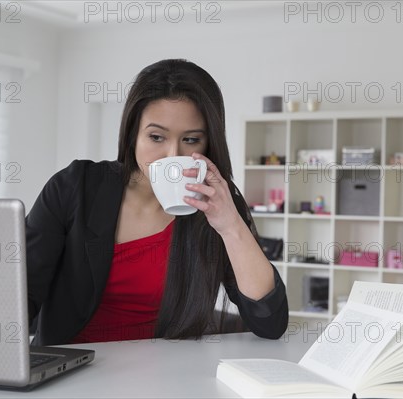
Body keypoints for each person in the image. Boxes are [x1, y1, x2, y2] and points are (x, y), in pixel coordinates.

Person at [26, 59, 289, 346]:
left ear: (208, 144)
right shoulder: (75, 187)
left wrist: (231, 228)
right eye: (156, 137)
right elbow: (21, 298)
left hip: (166, 376)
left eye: (190, 140)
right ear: (132, 135)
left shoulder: (218, 203)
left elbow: (270, 323)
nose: (171, 155)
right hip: (70, 370)